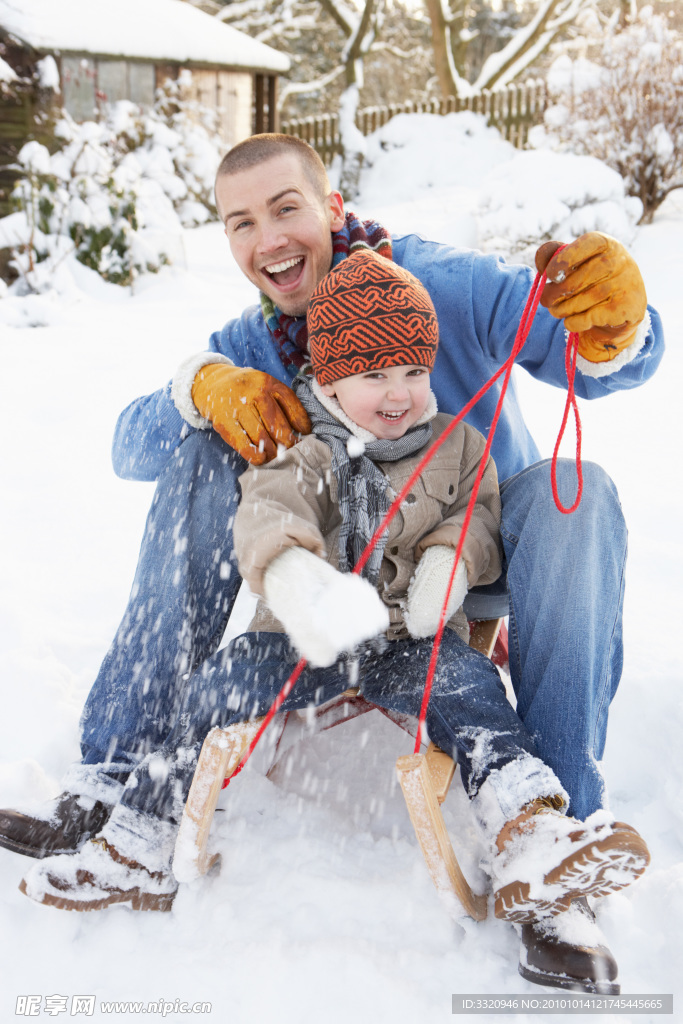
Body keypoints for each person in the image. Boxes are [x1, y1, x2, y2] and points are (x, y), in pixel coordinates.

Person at [0, 134, 664, 992]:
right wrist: (199, 388)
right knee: (198, 456)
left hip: (469, 551)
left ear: (332, 209)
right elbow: (131, 450)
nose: (267, 238)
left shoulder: (442, 285)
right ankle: (123, 771)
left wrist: (619, 325)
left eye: (286, 208)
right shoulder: (255, 341)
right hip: (323, 588)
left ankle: (553, 841)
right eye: (241, 222)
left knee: (583, 486)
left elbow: (593, 358)